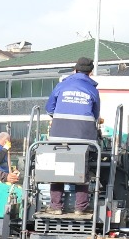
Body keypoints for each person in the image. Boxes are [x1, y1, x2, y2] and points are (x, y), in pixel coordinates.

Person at [44, 56, 103, 213]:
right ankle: (80, 208)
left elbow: (49, 108)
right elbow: (96, 115)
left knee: (57, 169)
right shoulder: (93, 90)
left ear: (74, 70)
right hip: (84, 137)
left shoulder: (61, 86)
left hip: (58, 135)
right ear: (90, 73)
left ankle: (56, 207)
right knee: (82, 168)